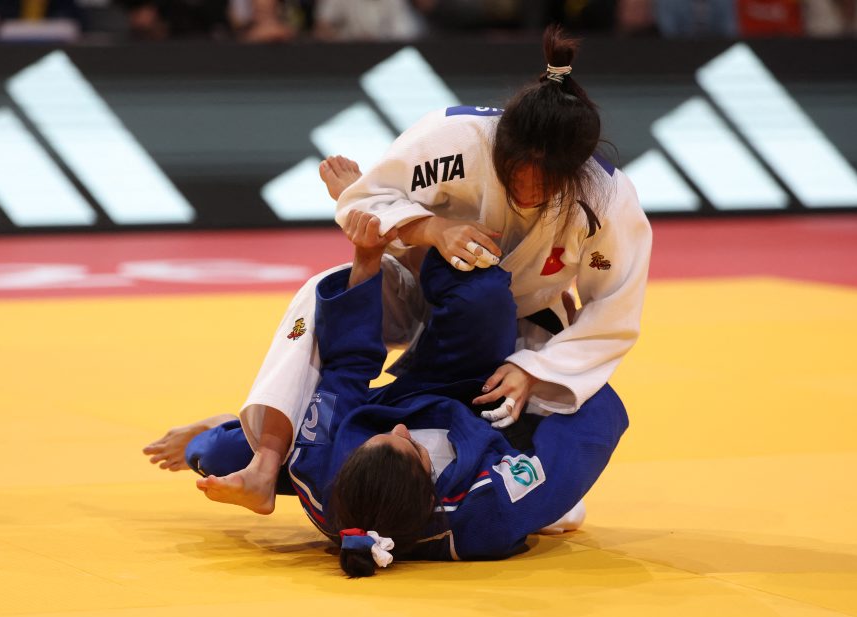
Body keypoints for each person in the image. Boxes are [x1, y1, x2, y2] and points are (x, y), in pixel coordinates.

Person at [236, 25, 651, 468]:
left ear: (577, 172)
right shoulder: (458, 138)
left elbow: (615, 311)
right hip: (417, 286)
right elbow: (362, 202)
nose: (528, 188)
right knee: (325, 294)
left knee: (538, 474)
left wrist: (536, 370)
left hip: (517, 322)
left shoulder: (607, 199)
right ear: (500, 141)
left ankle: (224, 436)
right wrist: (431, 227)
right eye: (516, 170)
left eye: (547, 181)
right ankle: (266, 456)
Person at [154, 209, 629, 577]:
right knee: (484, 299)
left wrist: (366, 258)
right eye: (412, 446)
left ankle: (214, 429)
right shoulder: (490, 510)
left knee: (223, 453)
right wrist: (545, 362)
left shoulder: (322, 469)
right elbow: (591, 431)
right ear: (432, 486)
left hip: (423, 389)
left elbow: (346, 370)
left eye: (380, 437)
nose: (401, 429)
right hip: (489, 408)